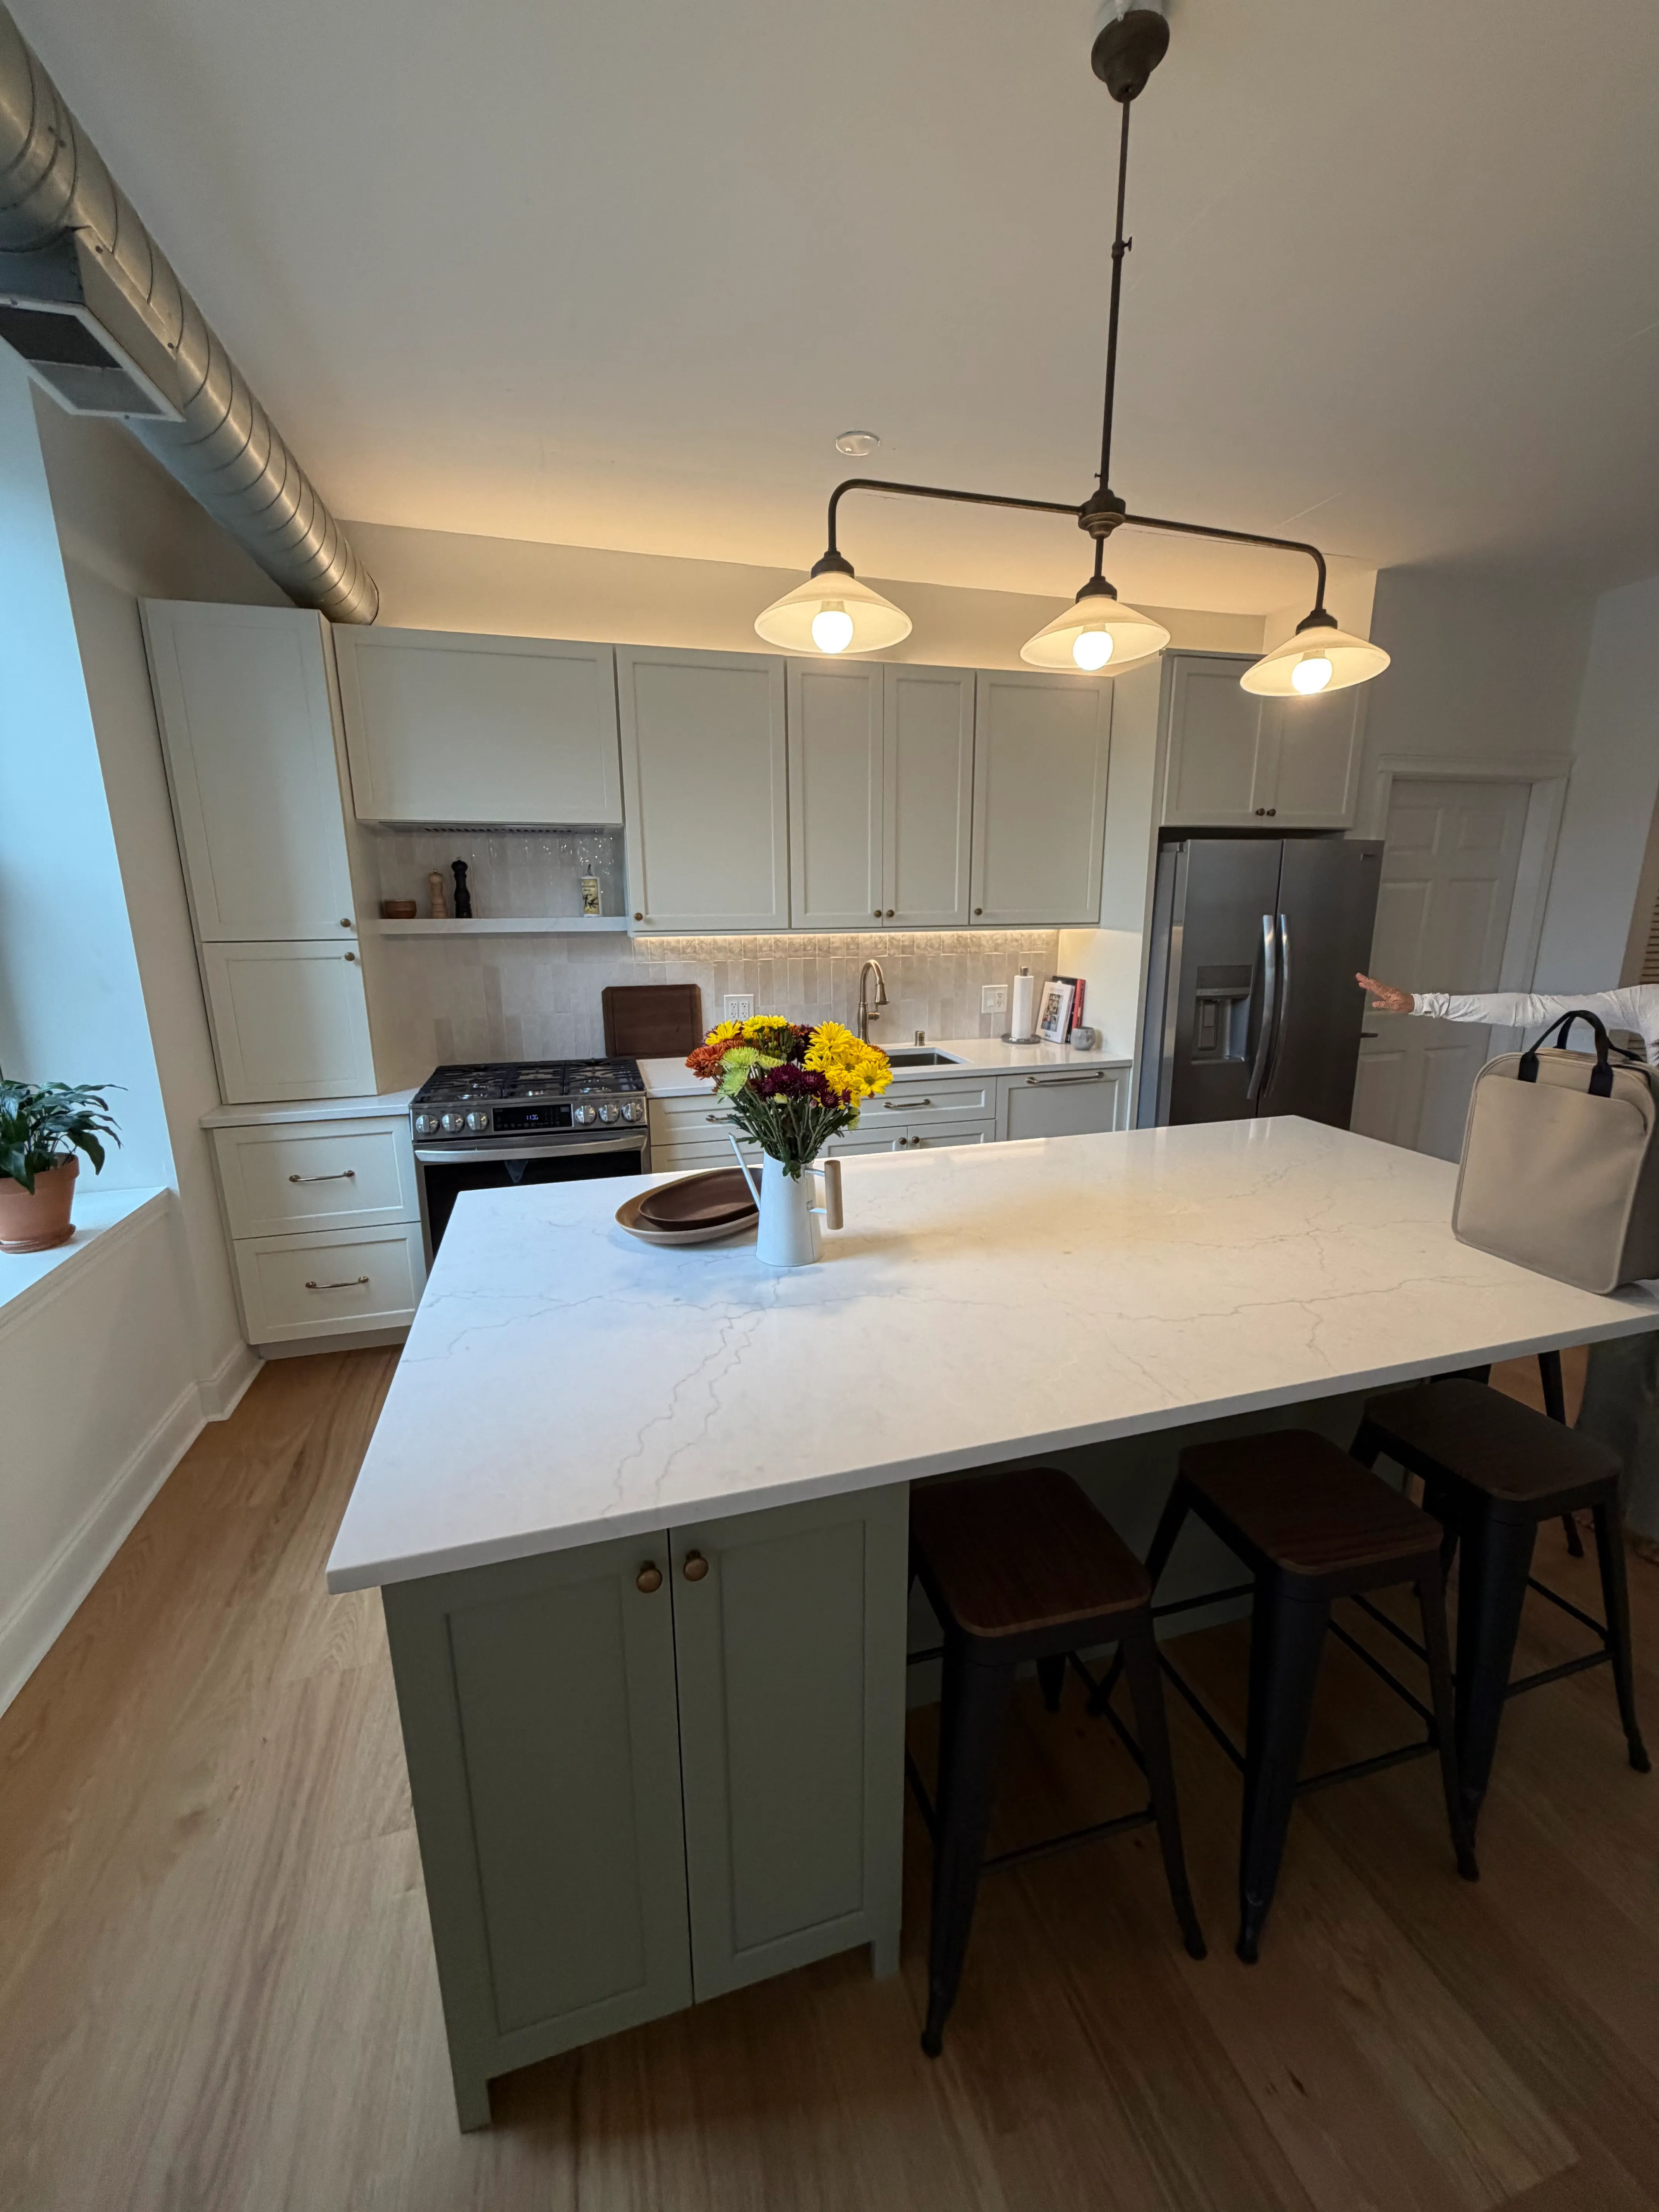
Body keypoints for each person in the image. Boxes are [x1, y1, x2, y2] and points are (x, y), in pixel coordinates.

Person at [1356, 970, 1659, 1553]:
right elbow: (1536, 1006)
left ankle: (1643, 1520)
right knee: (1627, 1359)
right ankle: (1609, 1501)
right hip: (1645, 1192)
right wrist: (1424, 1001)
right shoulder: (1650, 1000)